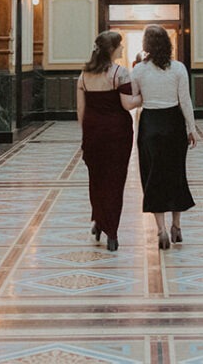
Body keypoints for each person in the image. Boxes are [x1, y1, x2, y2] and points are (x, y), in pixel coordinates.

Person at [130, 24, 198, 249]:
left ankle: (161, 230)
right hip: (174, 123)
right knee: (176, 174)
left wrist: (148, 95)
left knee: (153, 175)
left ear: (146, 44)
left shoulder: (138, 70)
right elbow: (185, 100)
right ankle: (176, 226)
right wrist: (191, 128)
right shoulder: (178, 68)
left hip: (150, 123)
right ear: (168, 44)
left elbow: (134, 98)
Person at [76, 31, 140, 251]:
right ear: (112, 49)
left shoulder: (84, 75)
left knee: (96, 179)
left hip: (93, 132)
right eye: (119, 45)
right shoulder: (120, 73)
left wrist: (86, 134)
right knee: (115, 181)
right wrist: (142, 98)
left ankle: (99, 220)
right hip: (117, 133)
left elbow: (81, 110)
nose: (122, 49)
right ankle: (111, 231)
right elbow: (127, 105)